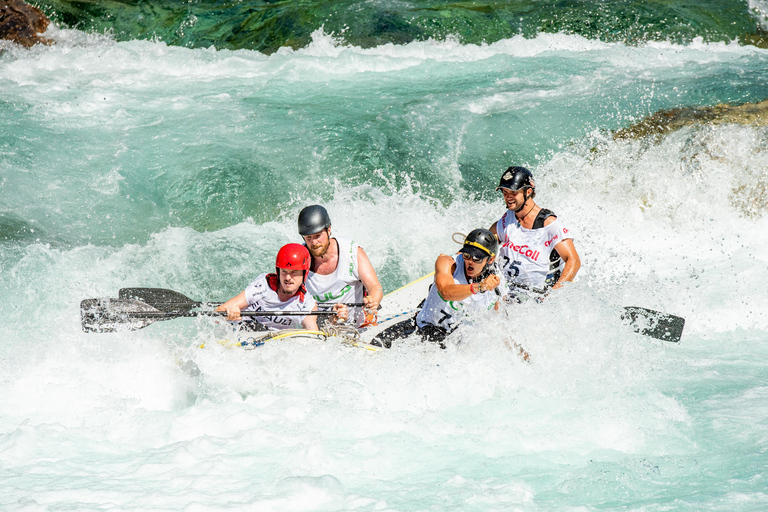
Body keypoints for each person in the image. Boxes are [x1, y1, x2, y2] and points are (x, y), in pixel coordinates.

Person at [372, 229, 501, 348]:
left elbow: (498, 318)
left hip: (453, 340)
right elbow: (446, 291)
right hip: (423, 326)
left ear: (490, 260)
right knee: (375, 344)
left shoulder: (497, 280)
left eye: (477, 258)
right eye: (467, 255)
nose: (470, 261)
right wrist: (479, 286)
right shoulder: (447, 262)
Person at [489, 166, 580, 298]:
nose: (508, 197)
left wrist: (553, 295)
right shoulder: (507, 218)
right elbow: (483, 243)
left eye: (513, 193)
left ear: (528, 192)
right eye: (504, 192)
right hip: (508, 292)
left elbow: (574, 261)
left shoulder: (549, 224)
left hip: (537, 298)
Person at [216, 243, 347, 331]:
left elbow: (314, 338)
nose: (288, 278)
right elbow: (217, 313)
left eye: (294, 272)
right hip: (243, 330)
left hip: (271, 344)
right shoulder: (263, 286)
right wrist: (229, 314)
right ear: (278, 272)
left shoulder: (307, 304)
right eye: (284, 271)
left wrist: (333, 321)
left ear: (304, 274)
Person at [297, 205, 384, 327]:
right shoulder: (298, 259)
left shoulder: (352, 252)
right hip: (318, 327)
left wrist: (373, 301)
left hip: (357, 327)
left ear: (328, 230)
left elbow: (376, 287)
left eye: (318, 236)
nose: (314, 243)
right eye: (308, 238)